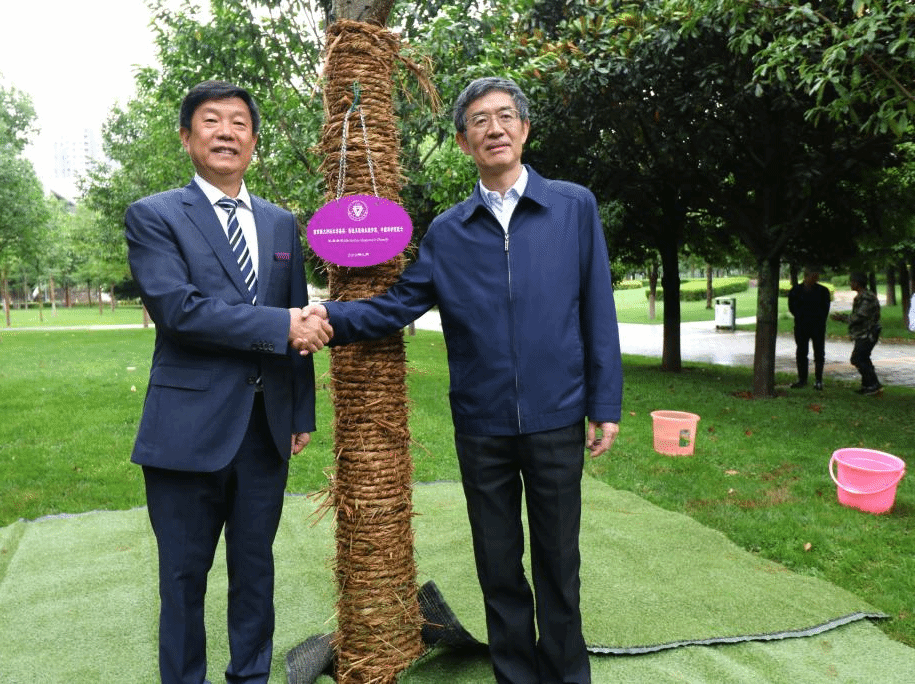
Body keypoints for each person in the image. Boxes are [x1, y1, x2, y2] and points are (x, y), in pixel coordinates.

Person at [302, 77, 622, 684]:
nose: (494, 128)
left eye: (505, 116)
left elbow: (597, 312)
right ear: (462, 140)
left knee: (559, 563)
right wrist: (328, 317)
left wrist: (604, 403)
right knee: (498, 566)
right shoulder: (449, 230)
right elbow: (399, 303)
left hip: (557, 417)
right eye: (479, 120)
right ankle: (515, 675)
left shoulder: (573, 208)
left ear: (524, 129)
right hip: (482, 424)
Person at [124, 80, 332, 684]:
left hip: (265, 432)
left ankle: (251, 676)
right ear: (187, 137)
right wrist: (283, 324)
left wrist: (299, 412)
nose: (226, 133)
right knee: (183, 578)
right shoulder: (154, 215)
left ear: (254, 140)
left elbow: (295, 316)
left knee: (255, 571)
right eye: (211, 121)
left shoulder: (281, 223)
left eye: (239, 123)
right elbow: (179, 310)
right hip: (186, 433)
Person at [832, 272, 882, 395]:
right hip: (863, 333)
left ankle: (872, 385)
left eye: (852, 281)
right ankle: (869, 385)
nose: (850, 284)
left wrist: (842, 318)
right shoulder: (862, 296)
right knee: (862, 358)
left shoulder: (867, 297)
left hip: (867, 333)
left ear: (857, 283)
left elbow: (860, 316)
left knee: (858, 358)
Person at [787, 267, 831, 390]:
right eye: (813, 277)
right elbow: (792, 307)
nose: (815, 279)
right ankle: (802, 379)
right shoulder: (796, 290)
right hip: (801, 325)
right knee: (801, 352)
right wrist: (801, 316)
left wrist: (818, 319)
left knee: (819, 353)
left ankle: (818, 380)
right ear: (806, 276)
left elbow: (825, 308)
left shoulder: (823, 291)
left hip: (818, 326)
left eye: (816, 277)